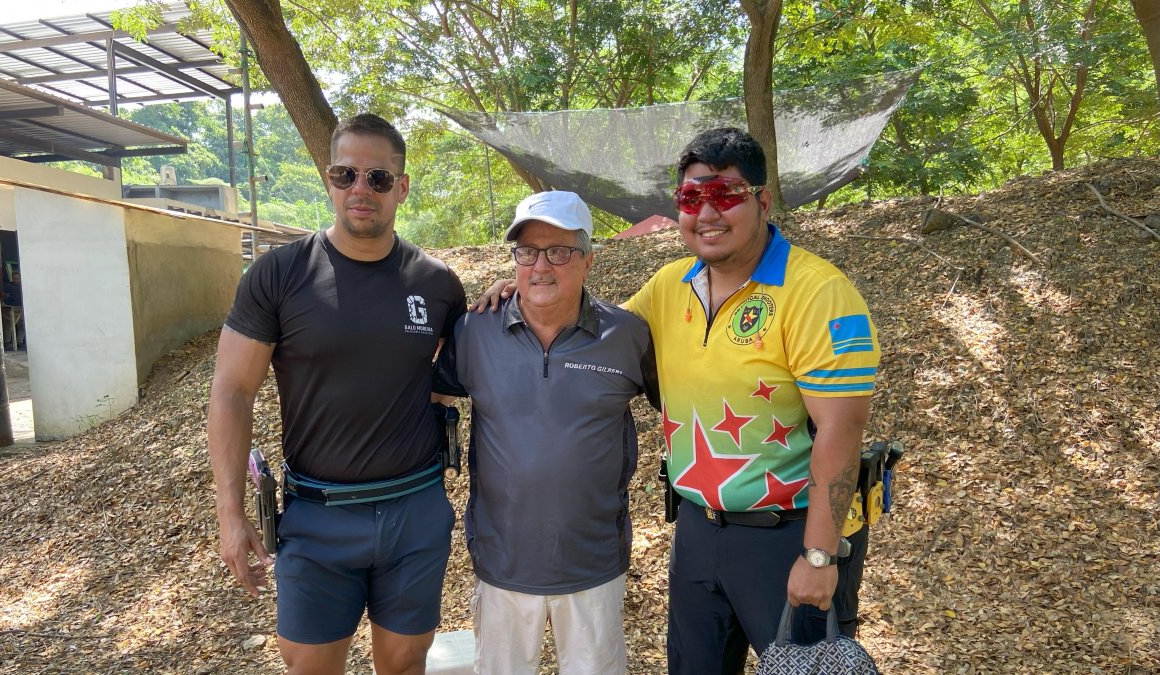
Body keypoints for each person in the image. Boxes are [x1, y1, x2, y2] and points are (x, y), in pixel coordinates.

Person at [476, 128, 880, 674]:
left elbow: (841, 430)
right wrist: (529, 289)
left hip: (789, 534)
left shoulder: (818, 292)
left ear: (762, 200)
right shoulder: (670, 286)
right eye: (692, 197)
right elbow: (594, 336)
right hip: (697, 529)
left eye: (726, 194)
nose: (707, 212)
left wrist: (819, 555)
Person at [208, 113, 467, 675]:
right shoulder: (279, 274)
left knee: (404, 664)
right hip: (316, 514)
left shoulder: (438, 283)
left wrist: (508, 293)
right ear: (327, 179)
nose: (360, 189)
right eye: (345, 173)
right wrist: (231, 512)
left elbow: (463, 370)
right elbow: (231, 390)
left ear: (401, 187)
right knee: (309, 667)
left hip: (414, 510)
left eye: (378, 178)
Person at [433, 191, 657, 674]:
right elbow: (435, 398)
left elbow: (680, 409)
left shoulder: (627, 336)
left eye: (559, 251)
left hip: (593, 563)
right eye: (527, 252)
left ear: (587, 261)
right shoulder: (475, 331)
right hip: (502, 564)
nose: (541, 266)